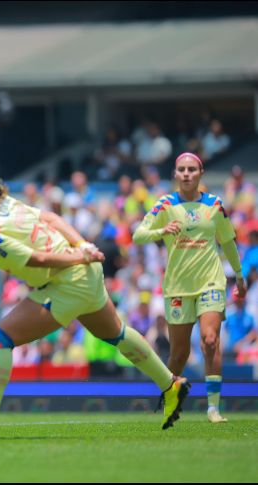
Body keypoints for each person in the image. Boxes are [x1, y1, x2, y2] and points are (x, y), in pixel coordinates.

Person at [0, 156, 189, 441]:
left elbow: (38, 258)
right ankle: (171, 385)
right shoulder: (3, 202)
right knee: (116, 333)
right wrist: (82, 246)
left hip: (68, 279)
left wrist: (77, 255)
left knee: (0, 338)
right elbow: (51, 218)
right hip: (86, 271)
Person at [133, 152, 247, 423]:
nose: (186, 174)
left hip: (211, 282)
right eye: (181, 169)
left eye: (191, 169)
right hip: (177, 287)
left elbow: (228, 241)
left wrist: (240, 276)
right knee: (179, 353)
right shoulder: (165, 205)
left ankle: (213, 408)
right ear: (175, 174)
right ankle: (169, 402)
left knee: (210, 340)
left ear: (201, 173)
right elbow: (138, 235)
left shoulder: (215, 205)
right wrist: (161, 232)